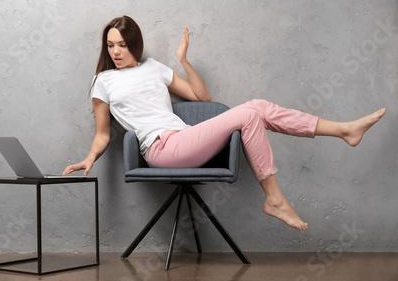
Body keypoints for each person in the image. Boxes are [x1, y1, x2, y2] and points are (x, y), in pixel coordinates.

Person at [63, 15, 386, 231]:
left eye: (122, 44)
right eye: (110, 45)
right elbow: (103, 133)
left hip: (187, 141)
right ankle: (277, 196)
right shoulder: (102, 81)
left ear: (135, 43)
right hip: (162, 149)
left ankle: (344, 130)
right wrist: (88, 159)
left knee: (255, 108)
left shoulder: (154, 68)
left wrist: (185, 61)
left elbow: (200, 97)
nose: (116, 51)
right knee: (250, 111)